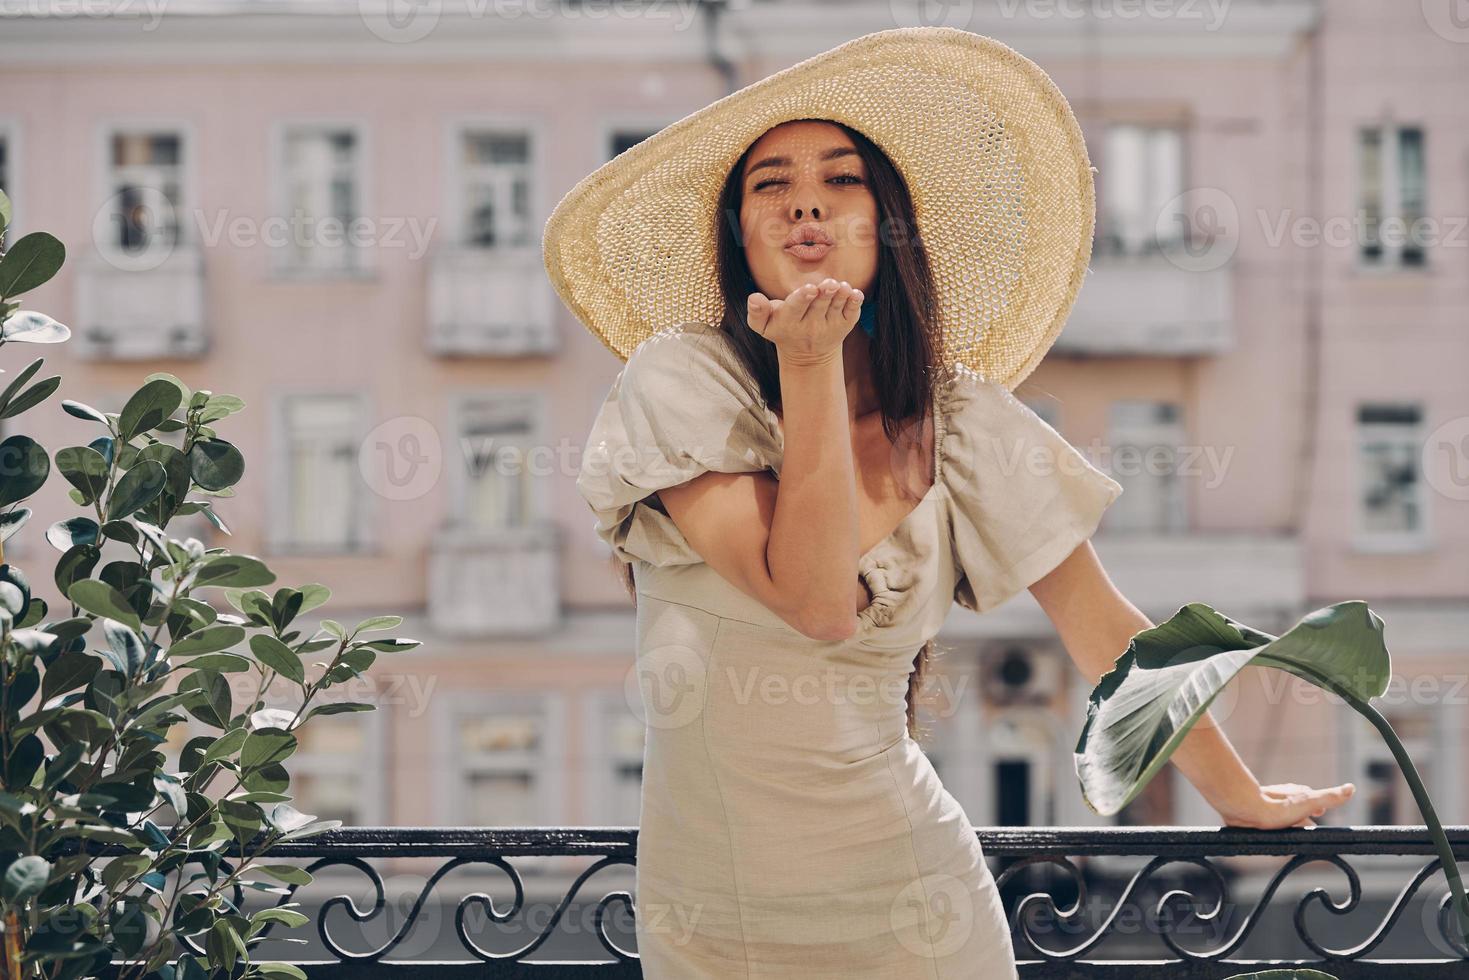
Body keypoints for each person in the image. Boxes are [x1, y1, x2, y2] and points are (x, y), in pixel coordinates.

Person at [544, 27, 1355, 979]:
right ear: (738, 236)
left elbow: (1108, 634)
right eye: (769, 182)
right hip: (708, 925)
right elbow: (808, 598)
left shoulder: (963, 422)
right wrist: (808, 366)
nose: (805, 197)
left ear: (887, 226)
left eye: (841, 178)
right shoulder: (682, 383)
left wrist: (1241, 793)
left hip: (914, 910)